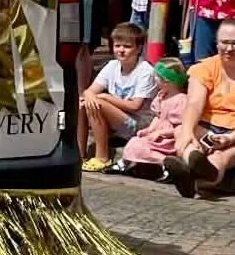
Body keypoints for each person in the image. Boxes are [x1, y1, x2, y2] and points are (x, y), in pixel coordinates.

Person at [167, 18, 235, 197]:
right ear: (217, 42)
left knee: (221, 157)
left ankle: (192, 181)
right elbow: (194, 103)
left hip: (233, 133)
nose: (229, 49)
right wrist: (188, 131)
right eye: (225, 43)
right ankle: (193, 159)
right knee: (182, 130)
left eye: (234, 43)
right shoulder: (205, 67)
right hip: (207, 128)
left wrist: (230, 138)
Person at [78, 22, 157, 171]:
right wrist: (90, 96)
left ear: (138, 48)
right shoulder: (112, 66)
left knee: (99, 102)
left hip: (139, 124)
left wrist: (105, 98)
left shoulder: (145, 71)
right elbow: (89, 91)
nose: (121, 50)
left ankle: (102, 157)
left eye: (127, 47)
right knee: (83, 102)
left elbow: (135, 106)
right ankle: (79, 153)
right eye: (117, 46)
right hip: (117, 119)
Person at [113, 58, 189, 181]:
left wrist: (160, 133)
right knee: (135, 141)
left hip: (168, 140)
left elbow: (180, 127)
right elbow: (157, 117)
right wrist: (149, 130)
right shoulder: (161, 96)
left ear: (167, 81)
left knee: (140, 146)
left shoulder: (181, 100)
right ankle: (125, 163)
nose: (155, 80)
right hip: (156, 136)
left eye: (157, 77)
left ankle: (166, 164)